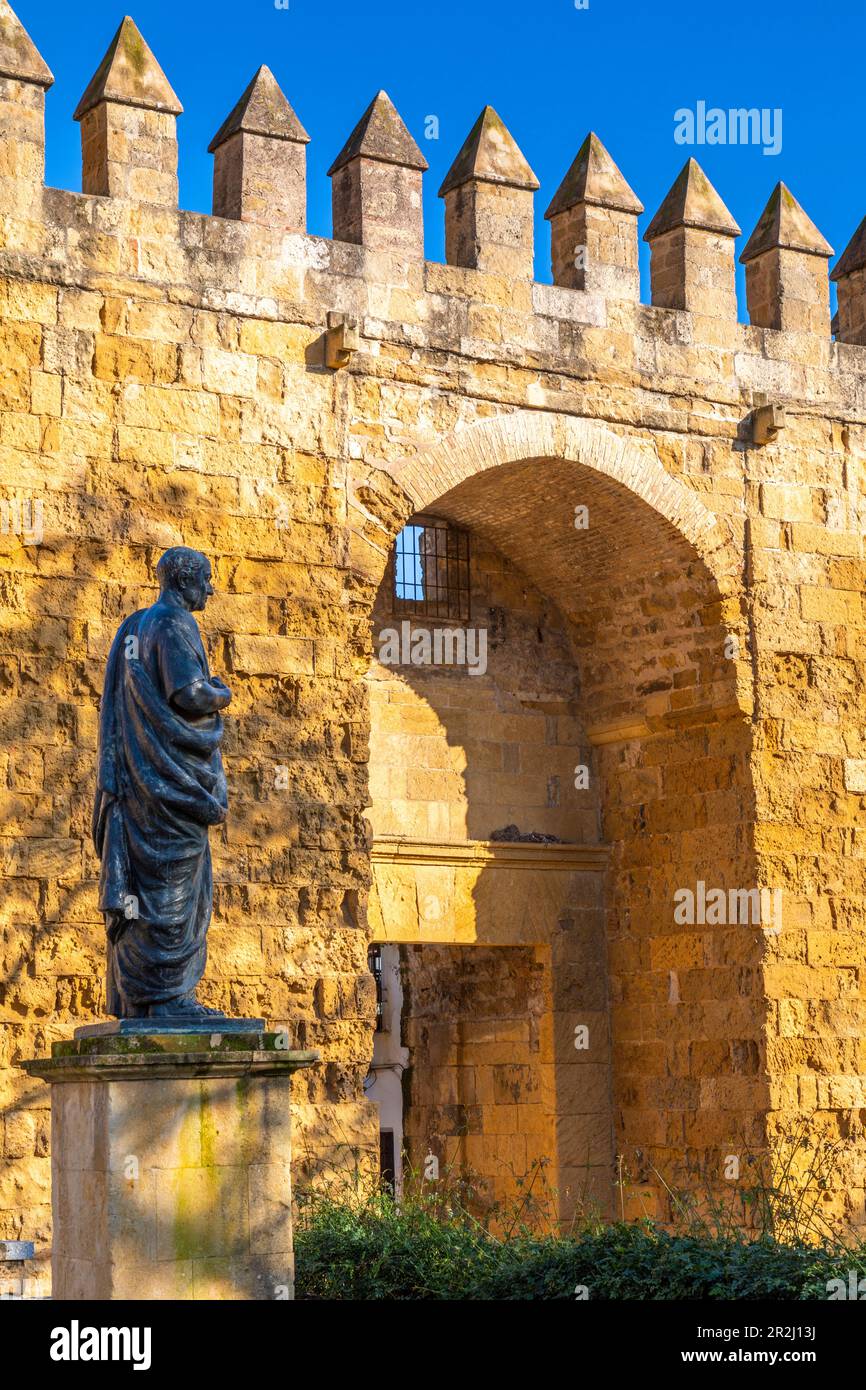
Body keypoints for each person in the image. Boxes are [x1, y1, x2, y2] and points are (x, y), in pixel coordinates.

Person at [92, 547, 232, 1020]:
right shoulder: (174, 624)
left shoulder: (132, 627)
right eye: (207, 580)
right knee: (174, 891)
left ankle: (142, 998)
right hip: (172, 792)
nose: (211, 589)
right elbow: (187, 693)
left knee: (144, 888)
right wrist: (222, 691)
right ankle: (168, 998)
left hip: (139, 786)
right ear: (183, 581)